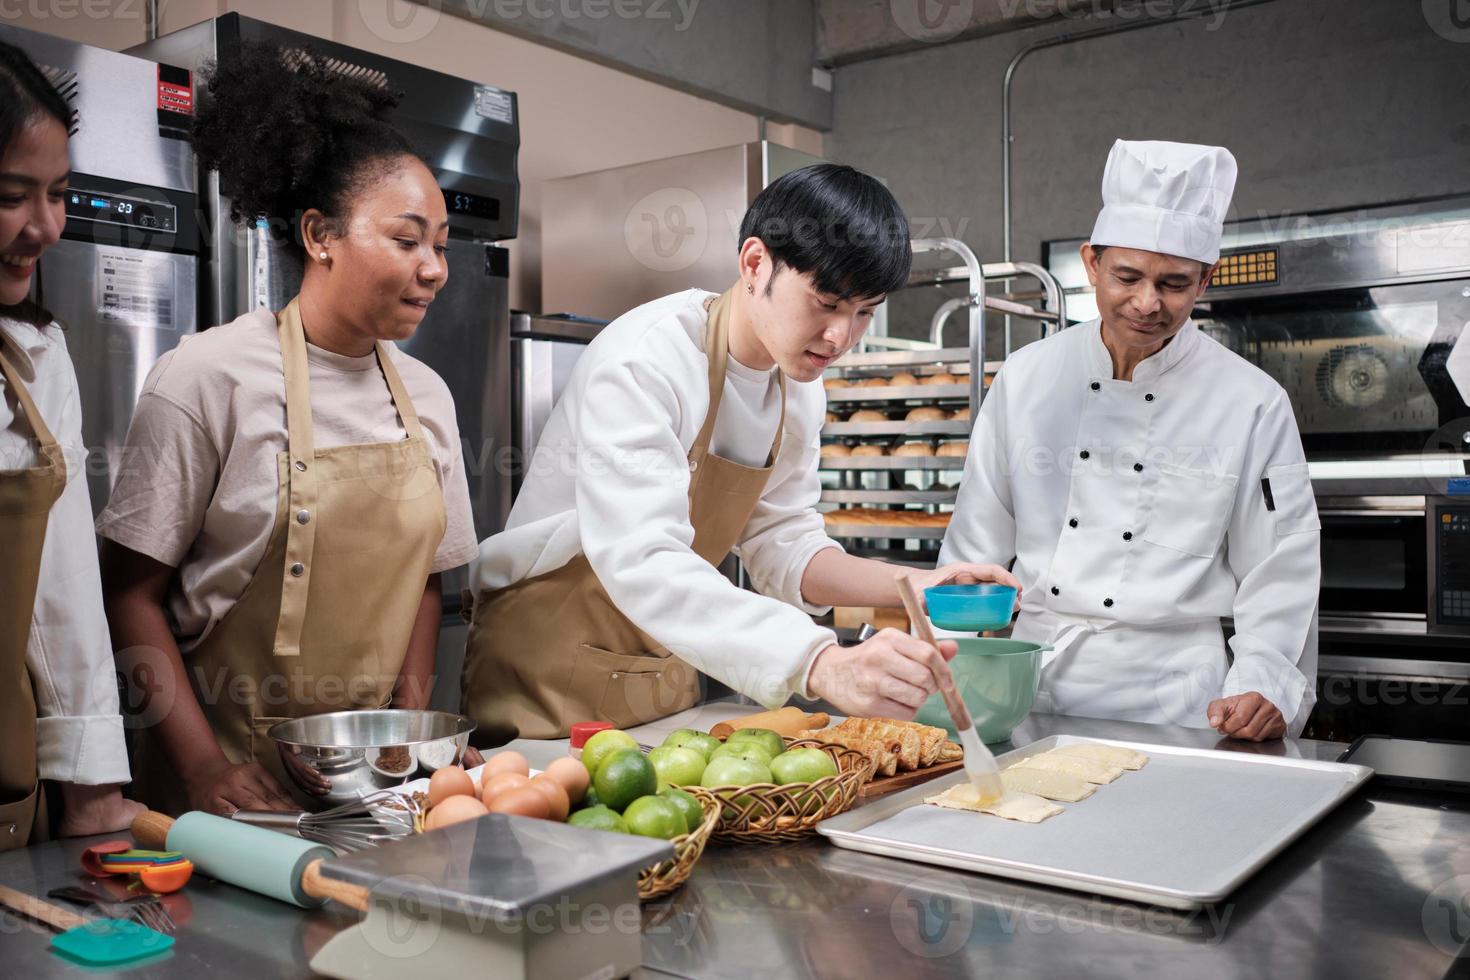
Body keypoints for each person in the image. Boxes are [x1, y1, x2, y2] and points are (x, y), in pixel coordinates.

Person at [462, 164, 1019, 741]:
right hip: (543, 674)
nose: (840, 337)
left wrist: (921, 587)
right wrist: (822, 663)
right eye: (826, 302)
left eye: (863, 312)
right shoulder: (646, 362)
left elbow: (786, 545)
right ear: (755, 264)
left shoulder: (797, 387)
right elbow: (644, 559)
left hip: (660, 669)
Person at [97, 43, 478, 815]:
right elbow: (129, 596)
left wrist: (402, 739)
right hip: (227, 789)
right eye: (407, 241)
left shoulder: (429, 398)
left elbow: (428, 583)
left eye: (439, 245)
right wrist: (204, 769)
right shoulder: (207, 377)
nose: (434, 268)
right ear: (319, 235)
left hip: (368, 788)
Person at [939, 139, 1320, 741]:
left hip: (1177, 699)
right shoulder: (1026, 377)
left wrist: (1264, 678)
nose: (1147, 303)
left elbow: (1281, 562)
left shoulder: (1251, 400)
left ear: (1205, 279)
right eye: (1127, 277)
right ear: (1090, 264)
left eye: (1174, 283)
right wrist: (945, 663)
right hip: (1034, 683)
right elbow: (974, 548)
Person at [0, 39, 140, 845]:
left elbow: (66, 594)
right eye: (11, 195)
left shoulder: (38, 360)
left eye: (57, 193)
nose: (46, 226)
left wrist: (93, 789)